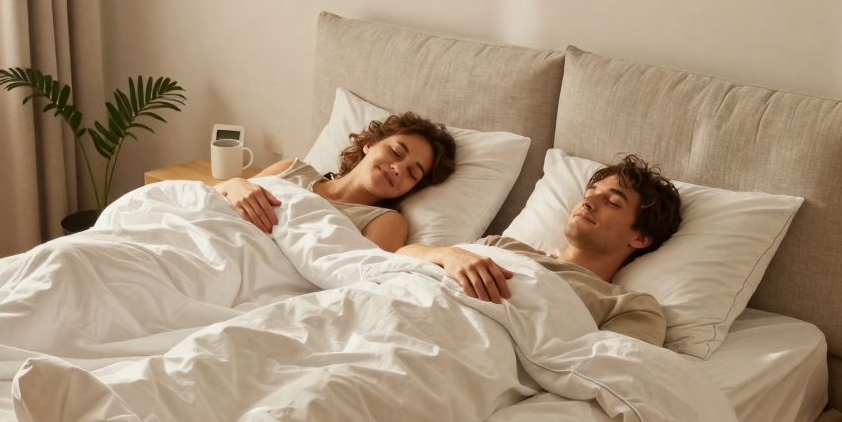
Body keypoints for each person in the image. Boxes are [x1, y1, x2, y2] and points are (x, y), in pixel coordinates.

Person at [399, 154, 682, 346]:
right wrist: (449, 255)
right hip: (404, 315)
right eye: (589, 194)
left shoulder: (628, 306)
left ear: (641, 238)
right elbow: (397, 258)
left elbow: (618, 372)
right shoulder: (501, 246)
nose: (588, 202)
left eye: (612, 202)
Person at [214, 112, 458, 253]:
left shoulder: (386, 221)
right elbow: (211, 200)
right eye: (396, 152)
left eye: (412, 173)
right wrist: (234, 184)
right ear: (370, 144)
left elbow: (356, 277)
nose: (397, 168)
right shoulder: (291, 169)